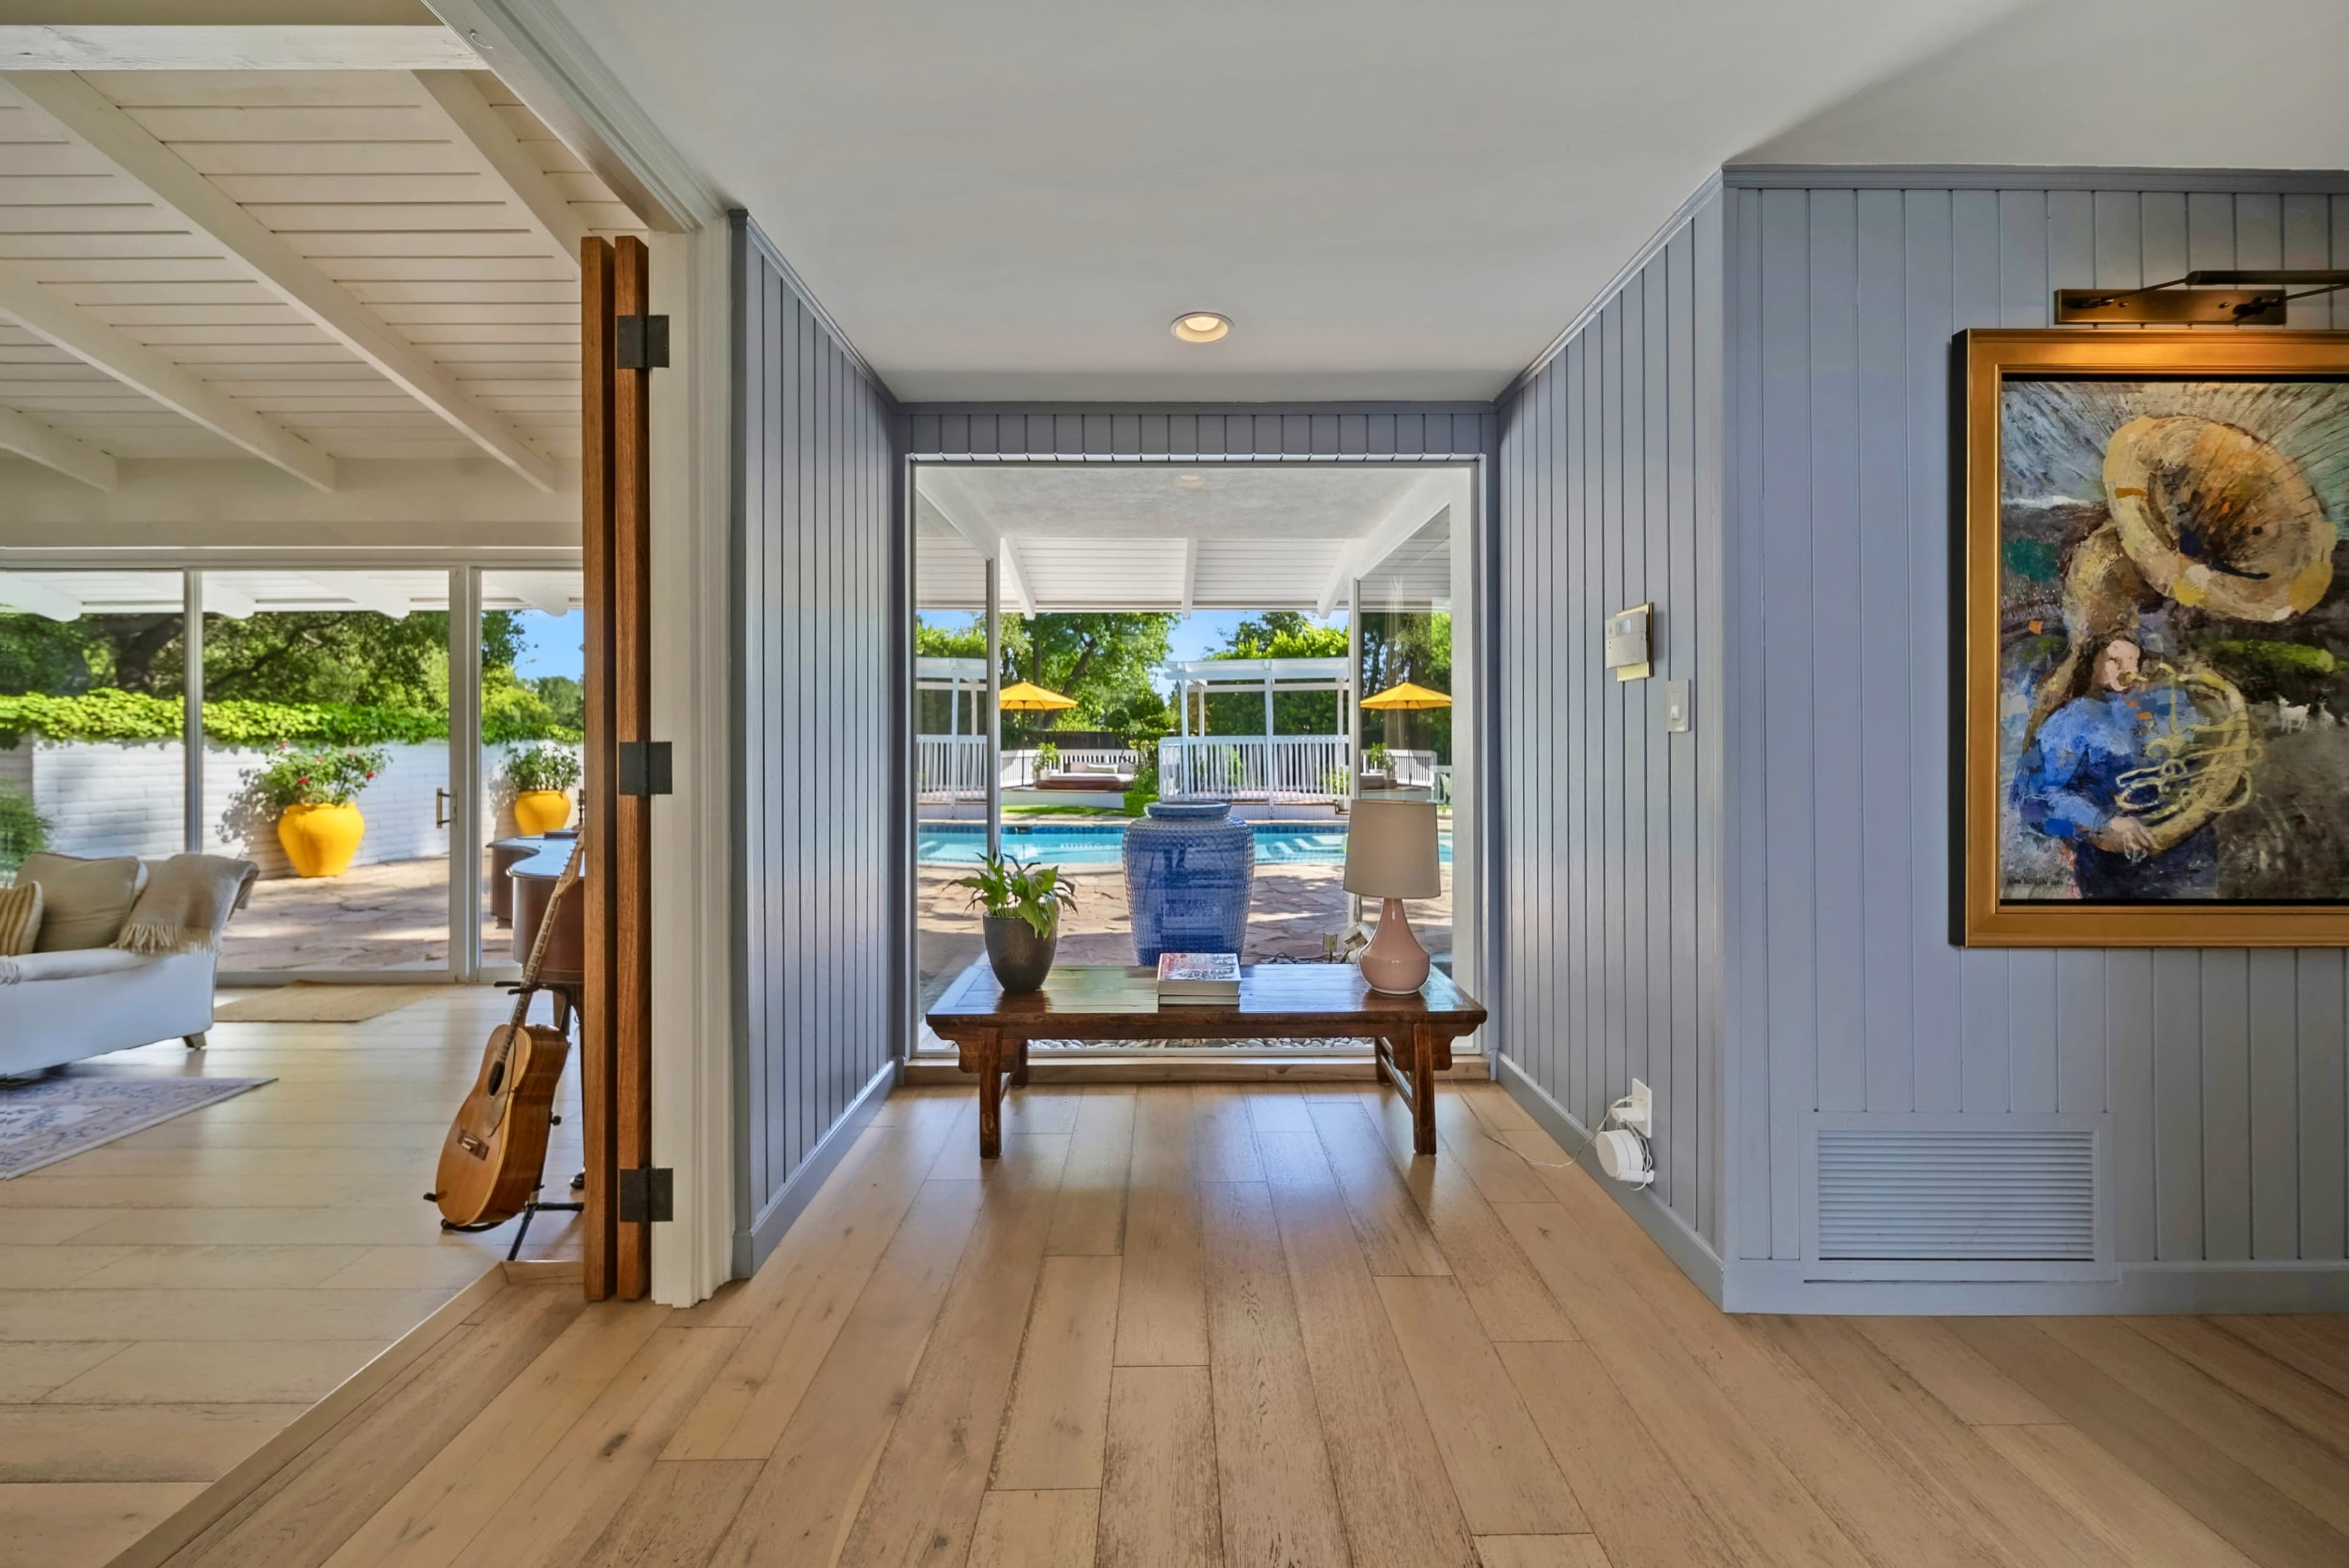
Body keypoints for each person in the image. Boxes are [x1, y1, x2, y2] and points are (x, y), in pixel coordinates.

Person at [2013, 637, 2219, 899]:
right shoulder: (2069, 721)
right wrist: (2103, 823)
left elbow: (2197, 757)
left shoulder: (2160, 704)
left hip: (2189, 852)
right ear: (2091, 664)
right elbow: (2042, 801)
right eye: (2114, 660)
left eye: (2133, 660)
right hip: (2117, 865)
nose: (2127, 669)